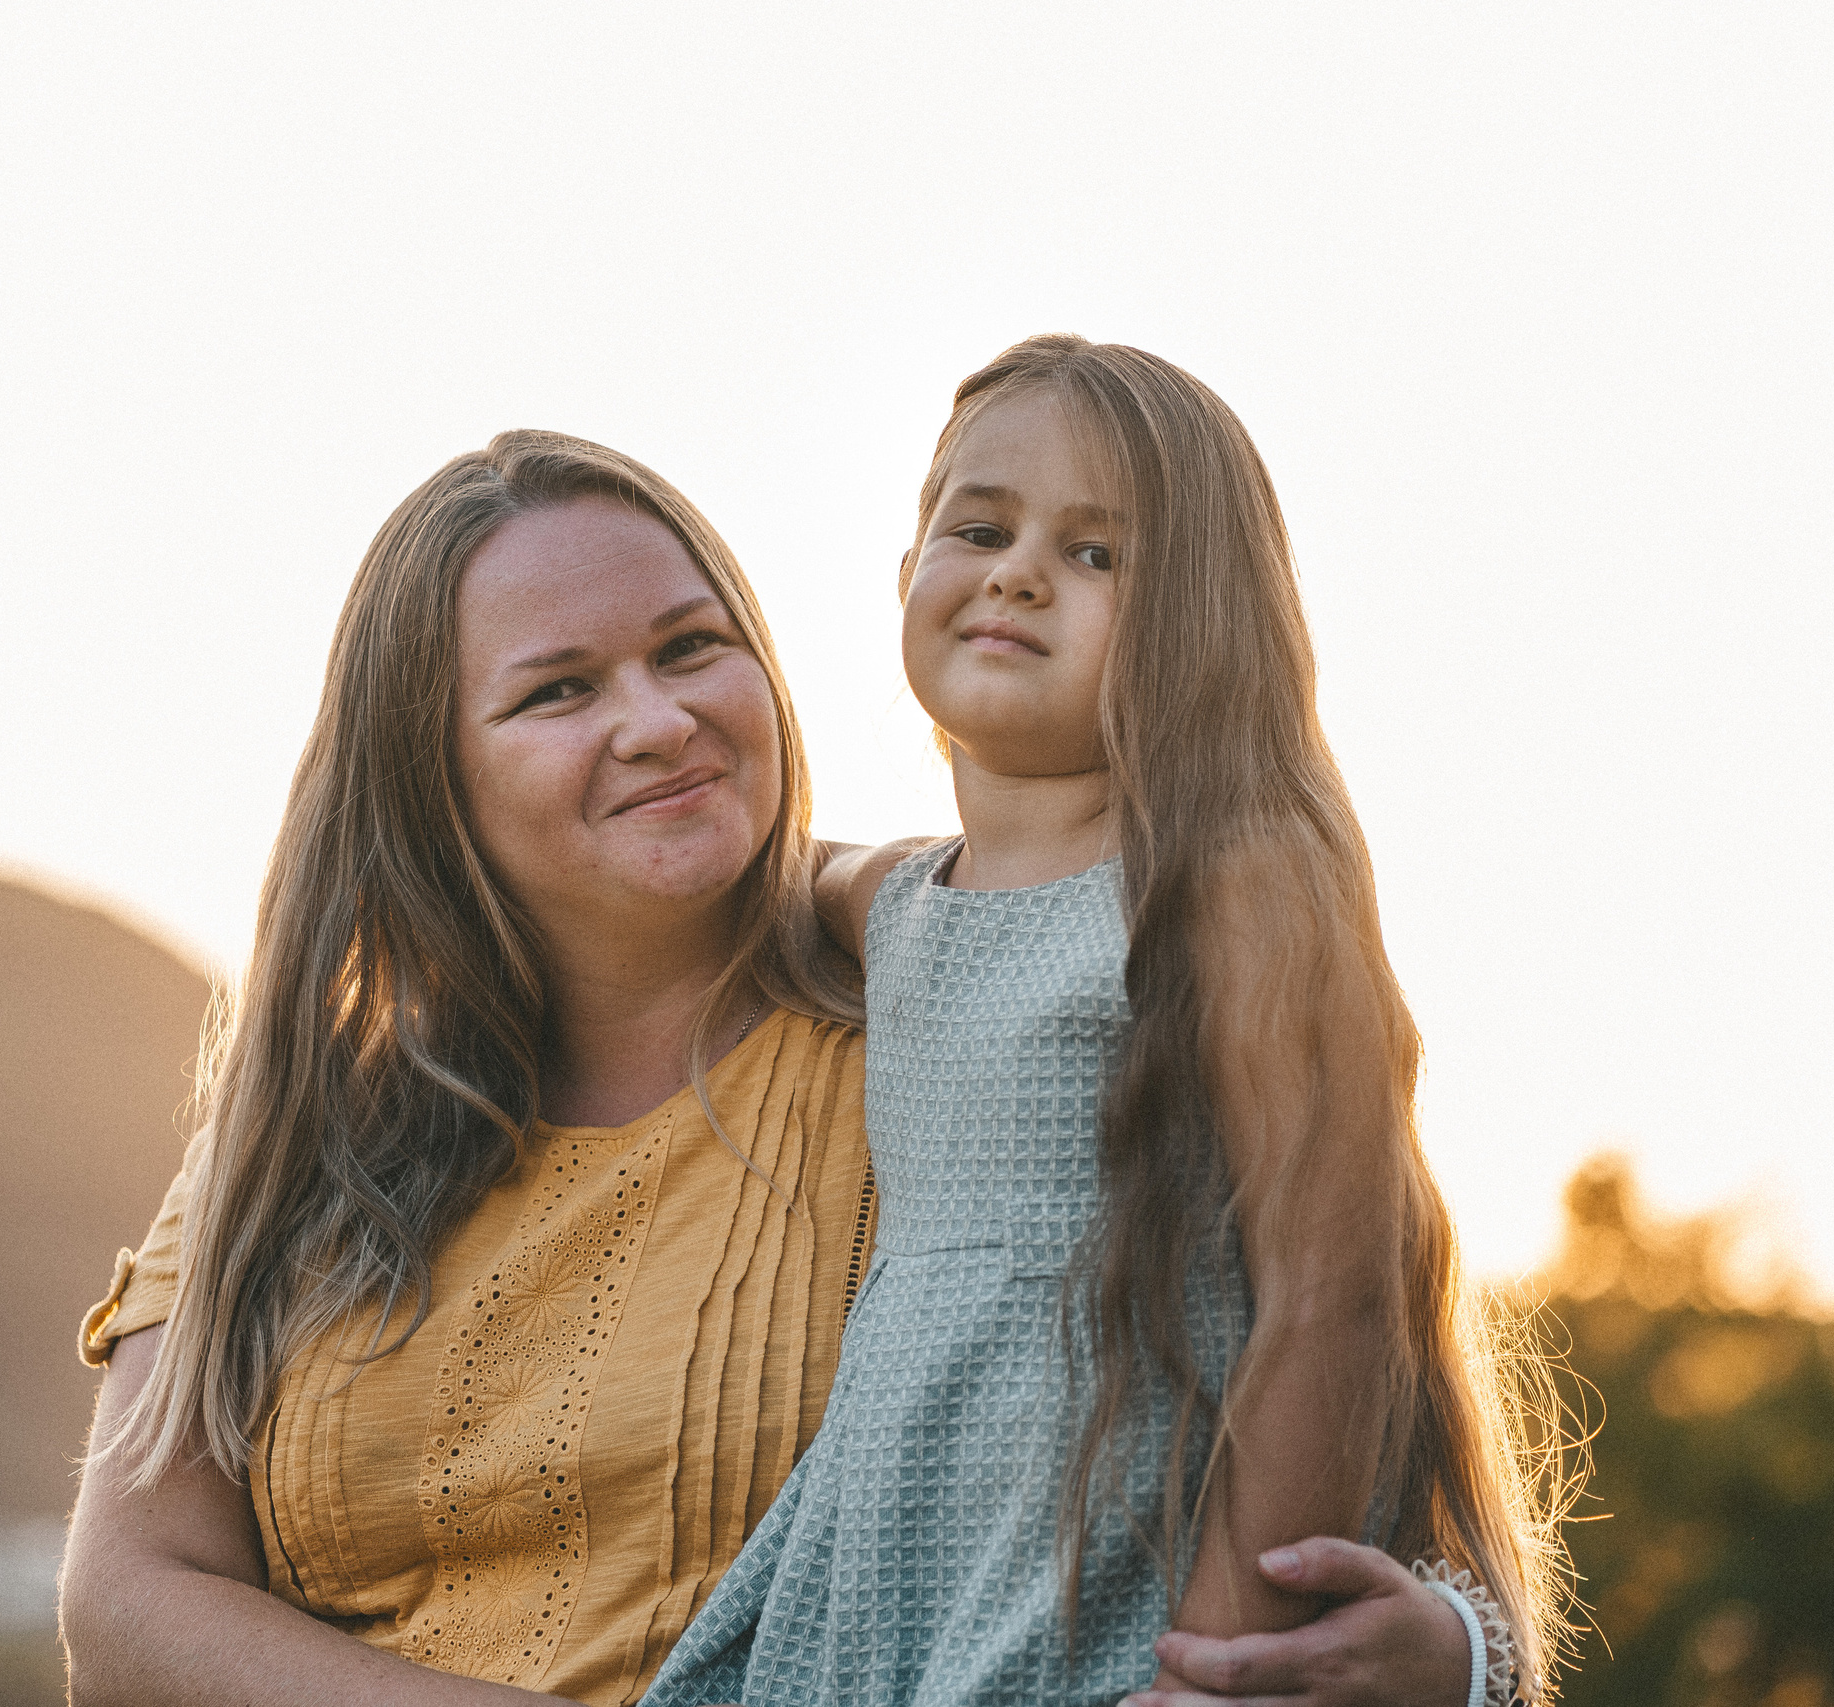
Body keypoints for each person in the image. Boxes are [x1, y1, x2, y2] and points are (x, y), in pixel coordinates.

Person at [58, 428, 1514, 1707]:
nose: (657, 720)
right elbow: (123, 1612)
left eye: (693, 648)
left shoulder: (963, 1039)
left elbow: (1317, 1373)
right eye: (559, 691)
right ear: (428, 777)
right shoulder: (308, 1130)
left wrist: (1454, 1661)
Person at [643, 337, 1566, 1707]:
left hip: (1106, 1588)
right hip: (885, 1580)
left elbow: (1332, 1291)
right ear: (906, 578)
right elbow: (788, 873)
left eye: (1097, 555)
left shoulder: (1231, 889)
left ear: (1204, 624)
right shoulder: (897, 907)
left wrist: (1223, 1661)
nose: (1018, 570)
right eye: (981, 526)